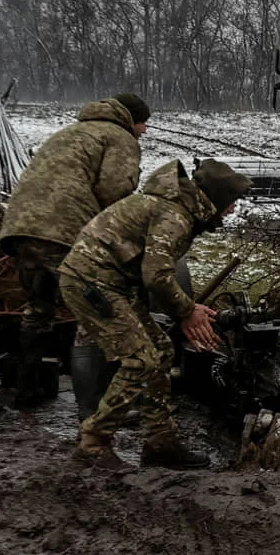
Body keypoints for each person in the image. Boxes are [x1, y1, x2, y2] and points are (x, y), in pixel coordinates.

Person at [59, 159, 252, 470]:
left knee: (161, 350)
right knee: (140, 359)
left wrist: (188, 310)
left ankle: (160, 442)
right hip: (92, 282)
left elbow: (154, 273)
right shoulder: (175, 214)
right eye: (230, 203)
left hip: (111, 282)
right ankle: (93, 444)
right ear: (215, 199)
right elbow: (157, 276)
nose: (231, 211)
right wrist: (187, 312)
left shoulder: (177, 208)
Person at [0, 93, 150, 407]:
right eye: (143, 123)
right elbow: (114, 191)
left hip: (20, 228)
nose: (145, 130)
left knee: (38, 310)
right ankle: (95, 410)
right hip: (64, 231)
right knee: (96, 312)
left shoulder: (68, 133)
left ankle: (26, 392)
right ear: (130, 120)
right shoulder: (119, 137)